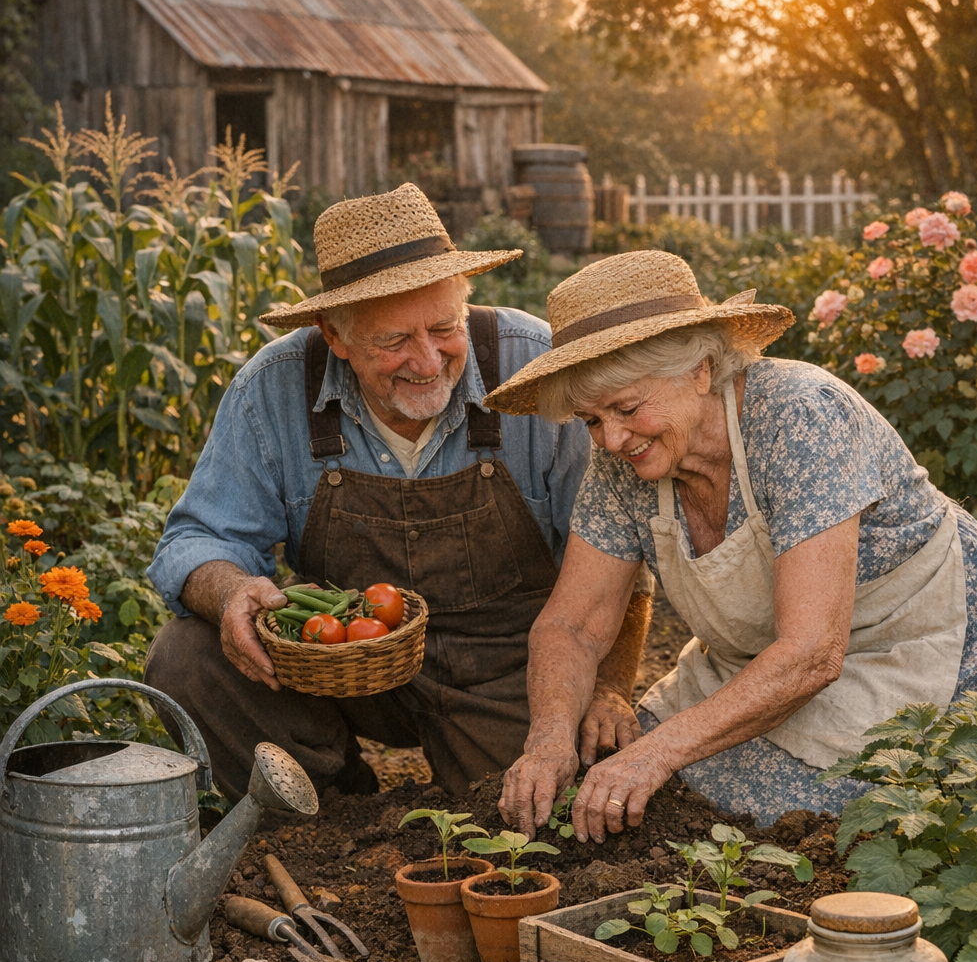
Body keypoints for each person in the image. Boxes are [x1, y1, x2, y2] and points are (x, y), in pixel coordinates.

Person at [491, 249, 977, 839]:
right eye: (591, 420)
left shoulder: (800, 416)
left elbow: (811, 653)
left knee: (802, 820)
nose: (612, 438)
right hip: (762, 660)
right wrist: (548, 741)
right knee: (628, 775)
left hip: (916, 647)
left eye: (627, 408)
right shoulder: (623, 464)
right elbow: (571, 625)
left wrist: (656, 754)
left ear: (700, 370)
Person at [145, 185, 651, 802]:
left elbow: (622, 558)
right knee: (188, 658)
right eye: (393, 342)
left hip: (512, 668)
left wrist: (609, 689)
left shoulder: (537, 369)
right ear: (335, 336)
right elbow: (196, 539)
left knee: (540, 807)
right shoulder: (274, 388)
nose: (428, 361)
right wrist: (228, 592)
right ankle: (327, 811)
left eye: (443, 328)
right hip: (343, 664)